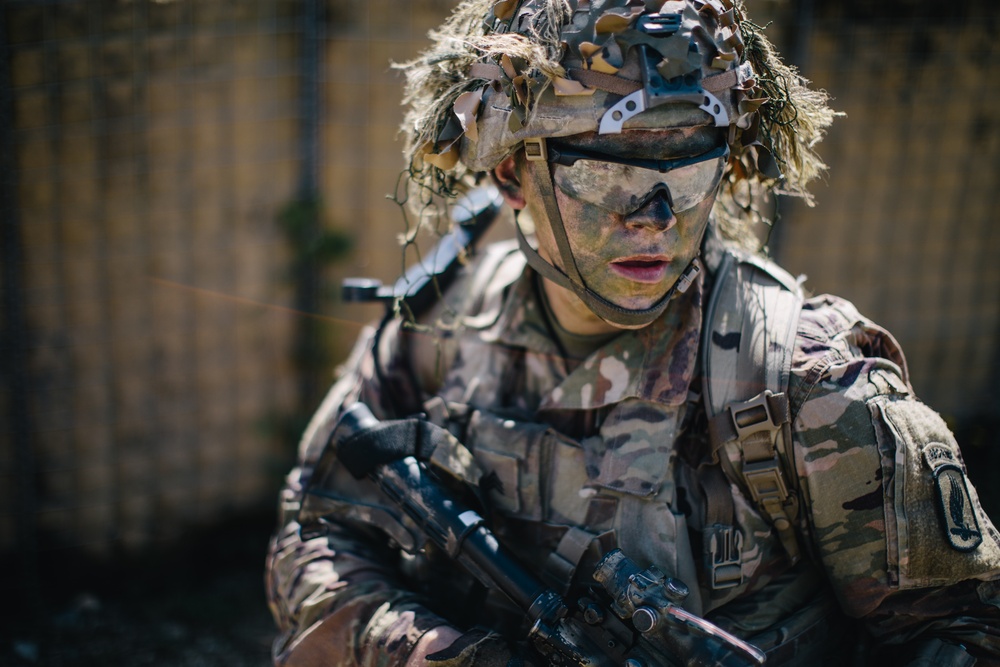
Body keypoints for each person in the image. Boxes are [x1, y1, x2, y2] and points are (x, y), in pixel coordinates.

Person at [265, 1, 1000, 665]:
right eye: (607, 177)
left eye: (686, 175)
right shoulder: (439, 325)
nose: (654, 219)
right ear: (513, 177)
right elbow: (316, 523)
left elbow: (967, 627)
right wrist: (432, 652)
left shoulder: (806, 386)